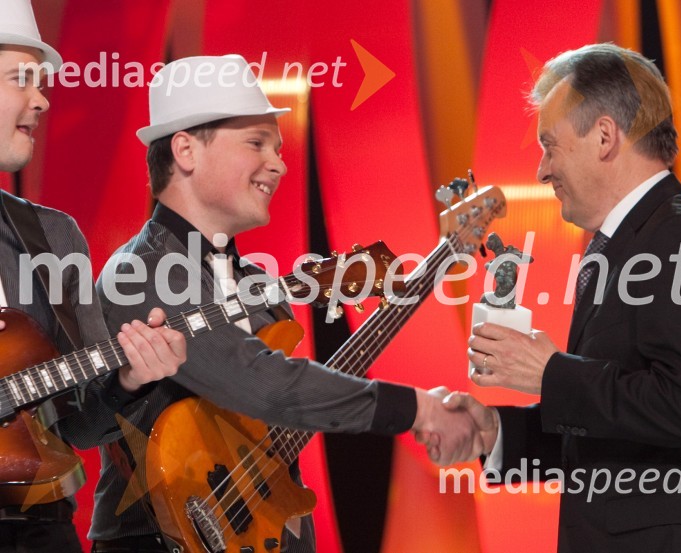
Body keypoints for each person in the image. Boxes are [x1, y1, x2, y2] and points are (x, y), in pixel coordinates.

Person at [88, 54, 481, 553]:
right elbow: (261, 382)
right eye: (256, 143)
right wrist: (416, 408)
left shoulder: (262, 289)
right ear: (185, 149)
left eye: (277, 146)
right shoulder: (138, 272)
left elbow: (277, 431)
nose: (279, 162)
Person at [439, 43, 681, 553]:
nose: (541, 171)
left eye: (550, 145)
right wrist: (496, 432)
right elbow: (615, 433)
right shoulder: (629, 246)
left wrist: (550, 373)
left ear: (603, 136)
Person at [0, 1, 187, 551]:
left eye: (42, 82)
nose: (42, 99)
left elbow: (81, 427)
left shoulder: (53, 239)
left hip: (36, 530)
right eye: (20, 79)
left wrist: (131, 379)